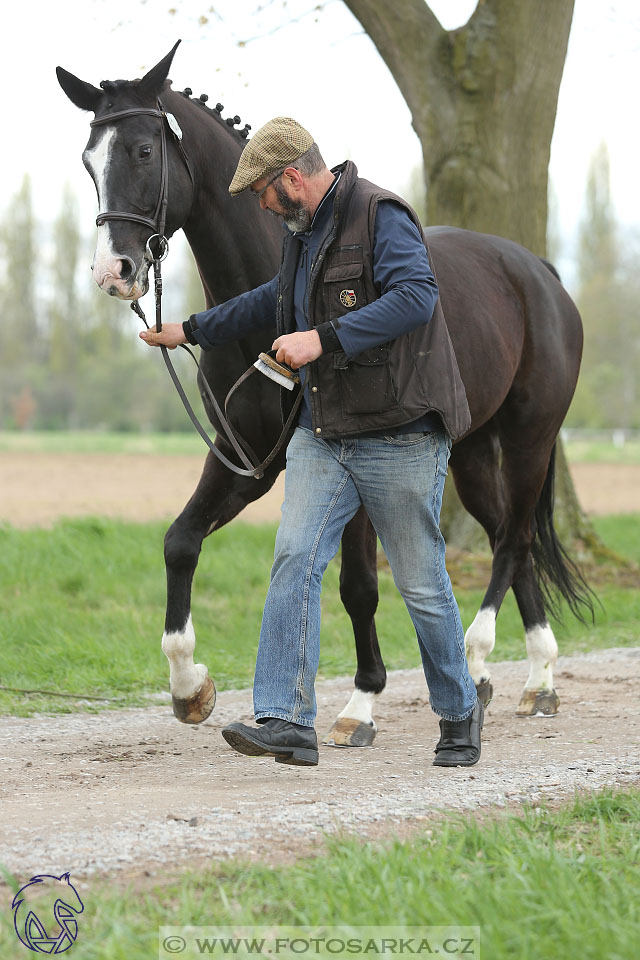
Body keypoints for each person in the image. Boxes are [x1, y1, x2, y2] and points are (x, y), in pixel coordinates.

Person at [140, 117, 483, 769]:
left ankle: (460, 713)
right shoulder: (301, 236)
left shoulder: (382, 215)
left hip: (400, 433)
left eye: (265, 196)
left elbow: (417, 296)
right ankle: (288, 721)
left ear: (291, 178)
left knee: (421, 585)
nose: (263, 210)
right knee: (295, 560)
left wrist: (324, 337)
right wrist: (191, 328)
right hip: (325, 432)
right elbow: (276, 298)